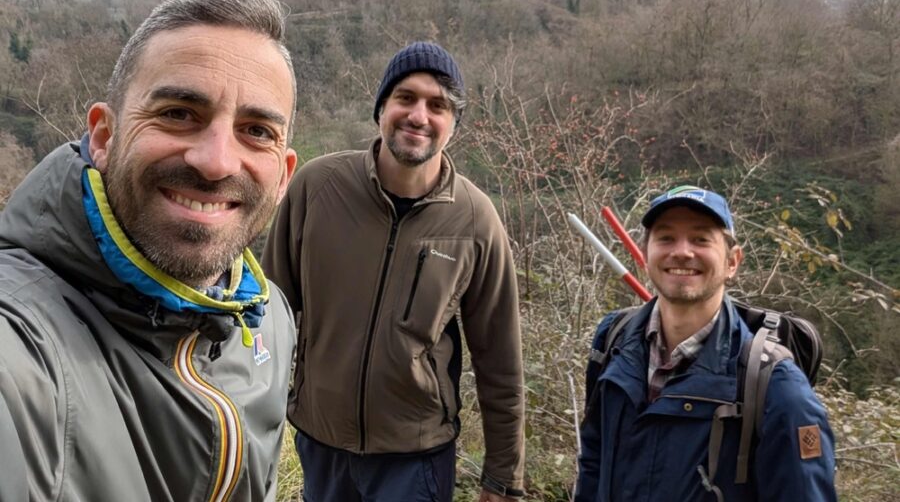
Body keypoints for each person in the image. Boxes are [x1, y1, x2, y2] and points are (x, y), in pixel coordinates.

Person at [0, 0, 299, 501]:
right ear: (103, 137)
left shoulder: (268, 318)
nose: (217, 161)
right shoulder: (22, 350)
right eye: (179, 114)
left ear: (283, 176)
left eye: (256, 130)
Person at [263, 42, 525, 501]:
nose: (419, 115)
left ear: (453, 126)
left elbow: (500, 362)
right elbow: (267, 315)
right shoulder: (318, 188)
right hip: (321, 445)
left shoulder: (475, 219)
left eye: (438, 105)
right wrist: (251, 423)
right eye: (405, 97)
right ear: (381, 108)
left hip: (416, 454)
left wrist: (503, 477)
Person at [574, 186, 837, 501]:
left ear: (732, 262)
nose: (682, 252)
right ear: (646, 254)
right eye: (666, 238)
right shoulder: (614, 341)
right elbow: (593, 464)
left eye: (701, 239)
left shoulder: (776, 387)